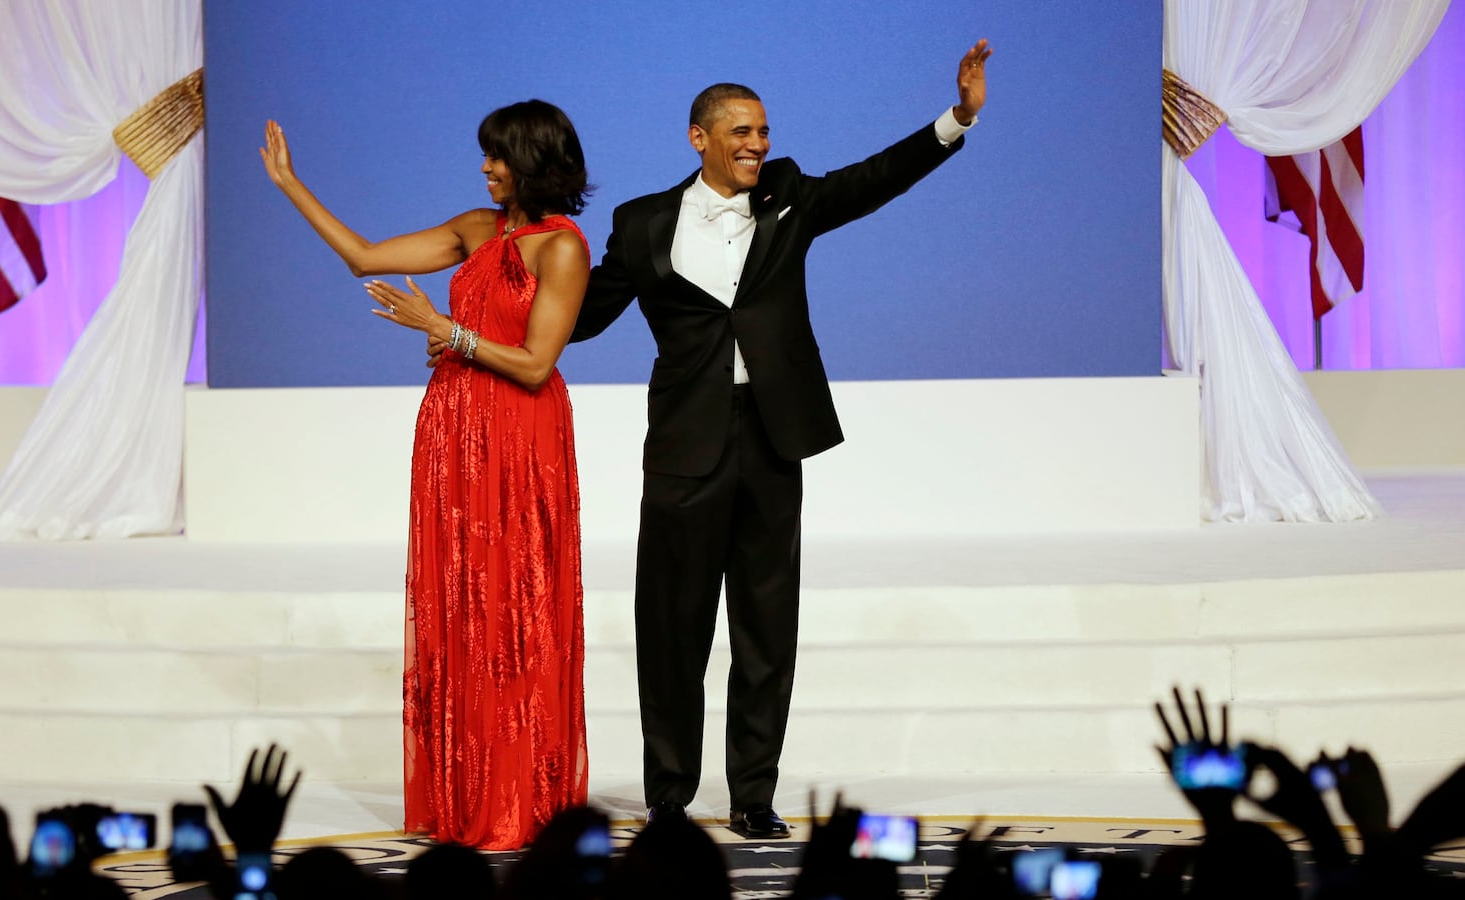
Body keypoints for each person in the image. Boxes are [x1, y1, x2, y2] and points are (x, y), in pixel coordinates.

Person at [566, 40, 992, 838]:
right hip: (685, 446)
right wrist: (489, 321)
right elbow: (582, 318)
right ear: (700, 137)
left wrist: (956, 119)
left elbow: (872, 182)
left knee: (765, 625)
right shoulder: (641, 221)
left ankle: (753, 796)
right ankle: (668, 799)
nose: (757, 144)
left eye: (763, 130)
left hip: (770, 437)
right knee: (672, 628)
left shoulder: (790, 196)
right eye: (741, 132)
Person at [260, 99, 593, 849]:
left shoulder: (562, 249)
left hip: (517, 436)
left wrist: (448, 333)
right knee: (463, 608)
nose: (485, 168)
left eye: (497, 157)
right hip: (453, 432)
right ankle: (466, 791)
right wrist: (290, 183)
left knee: (512, 611)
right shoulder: (479, 228)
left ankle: (519, 798)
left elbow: (539, 365)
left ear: (533, 157)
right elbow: (365, 257)